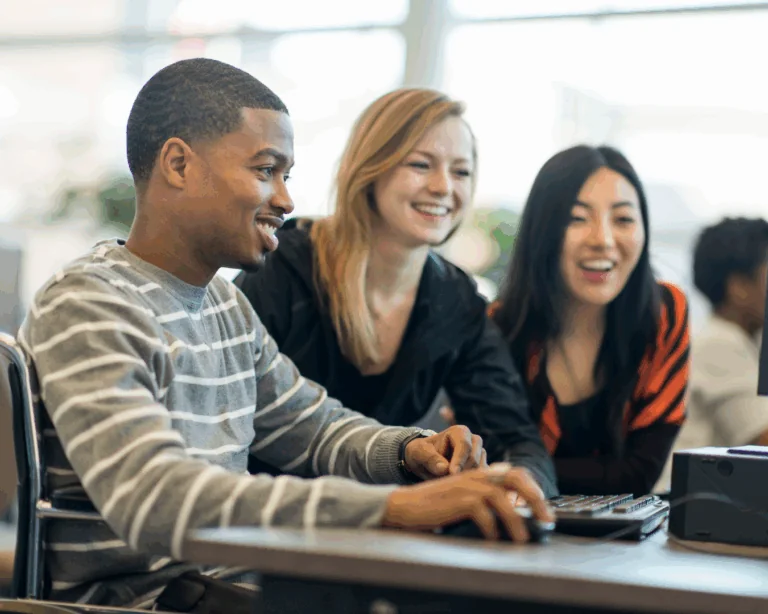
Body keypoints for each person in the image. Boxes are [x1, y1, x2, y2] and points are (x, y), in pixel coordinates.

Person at [16, 59, 554, 610]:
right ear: (178, 165)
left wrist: (411, 450)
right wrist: (394, 508)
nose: (286, 201)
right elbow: (153, 498)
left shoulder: (225, 305)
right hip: (149, 603)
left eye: (286, 176)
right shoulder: (89, 303)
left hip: (233, 587)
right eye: (265, 170)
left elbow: (314, 429)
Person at [234, 88, 557, 497]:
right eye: (421, 165)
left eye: (461, 172)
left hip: (385, 524)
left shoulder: (455, 299)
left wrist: (521, 489)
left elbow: (516, 440)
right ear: (371, 169)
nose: (443, 187)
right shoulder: (283, 269)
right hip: (270, 517)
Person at [487, 145, 690, 496]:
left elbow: (639, 475)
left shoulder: (664, 313)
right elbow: (488, 464)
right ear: (542, 230)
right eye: (576, 218)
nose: (603, 240)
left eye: (623, 219)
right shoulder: (499, 328)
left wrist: (520, 468)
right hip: (514, 524)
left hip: (624, 528)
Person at [656, 217, 768, 491]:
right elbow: (763, 440)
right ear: (739, 287)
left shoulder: (743, 340)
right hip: (677, 503)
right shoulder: (720, 344)